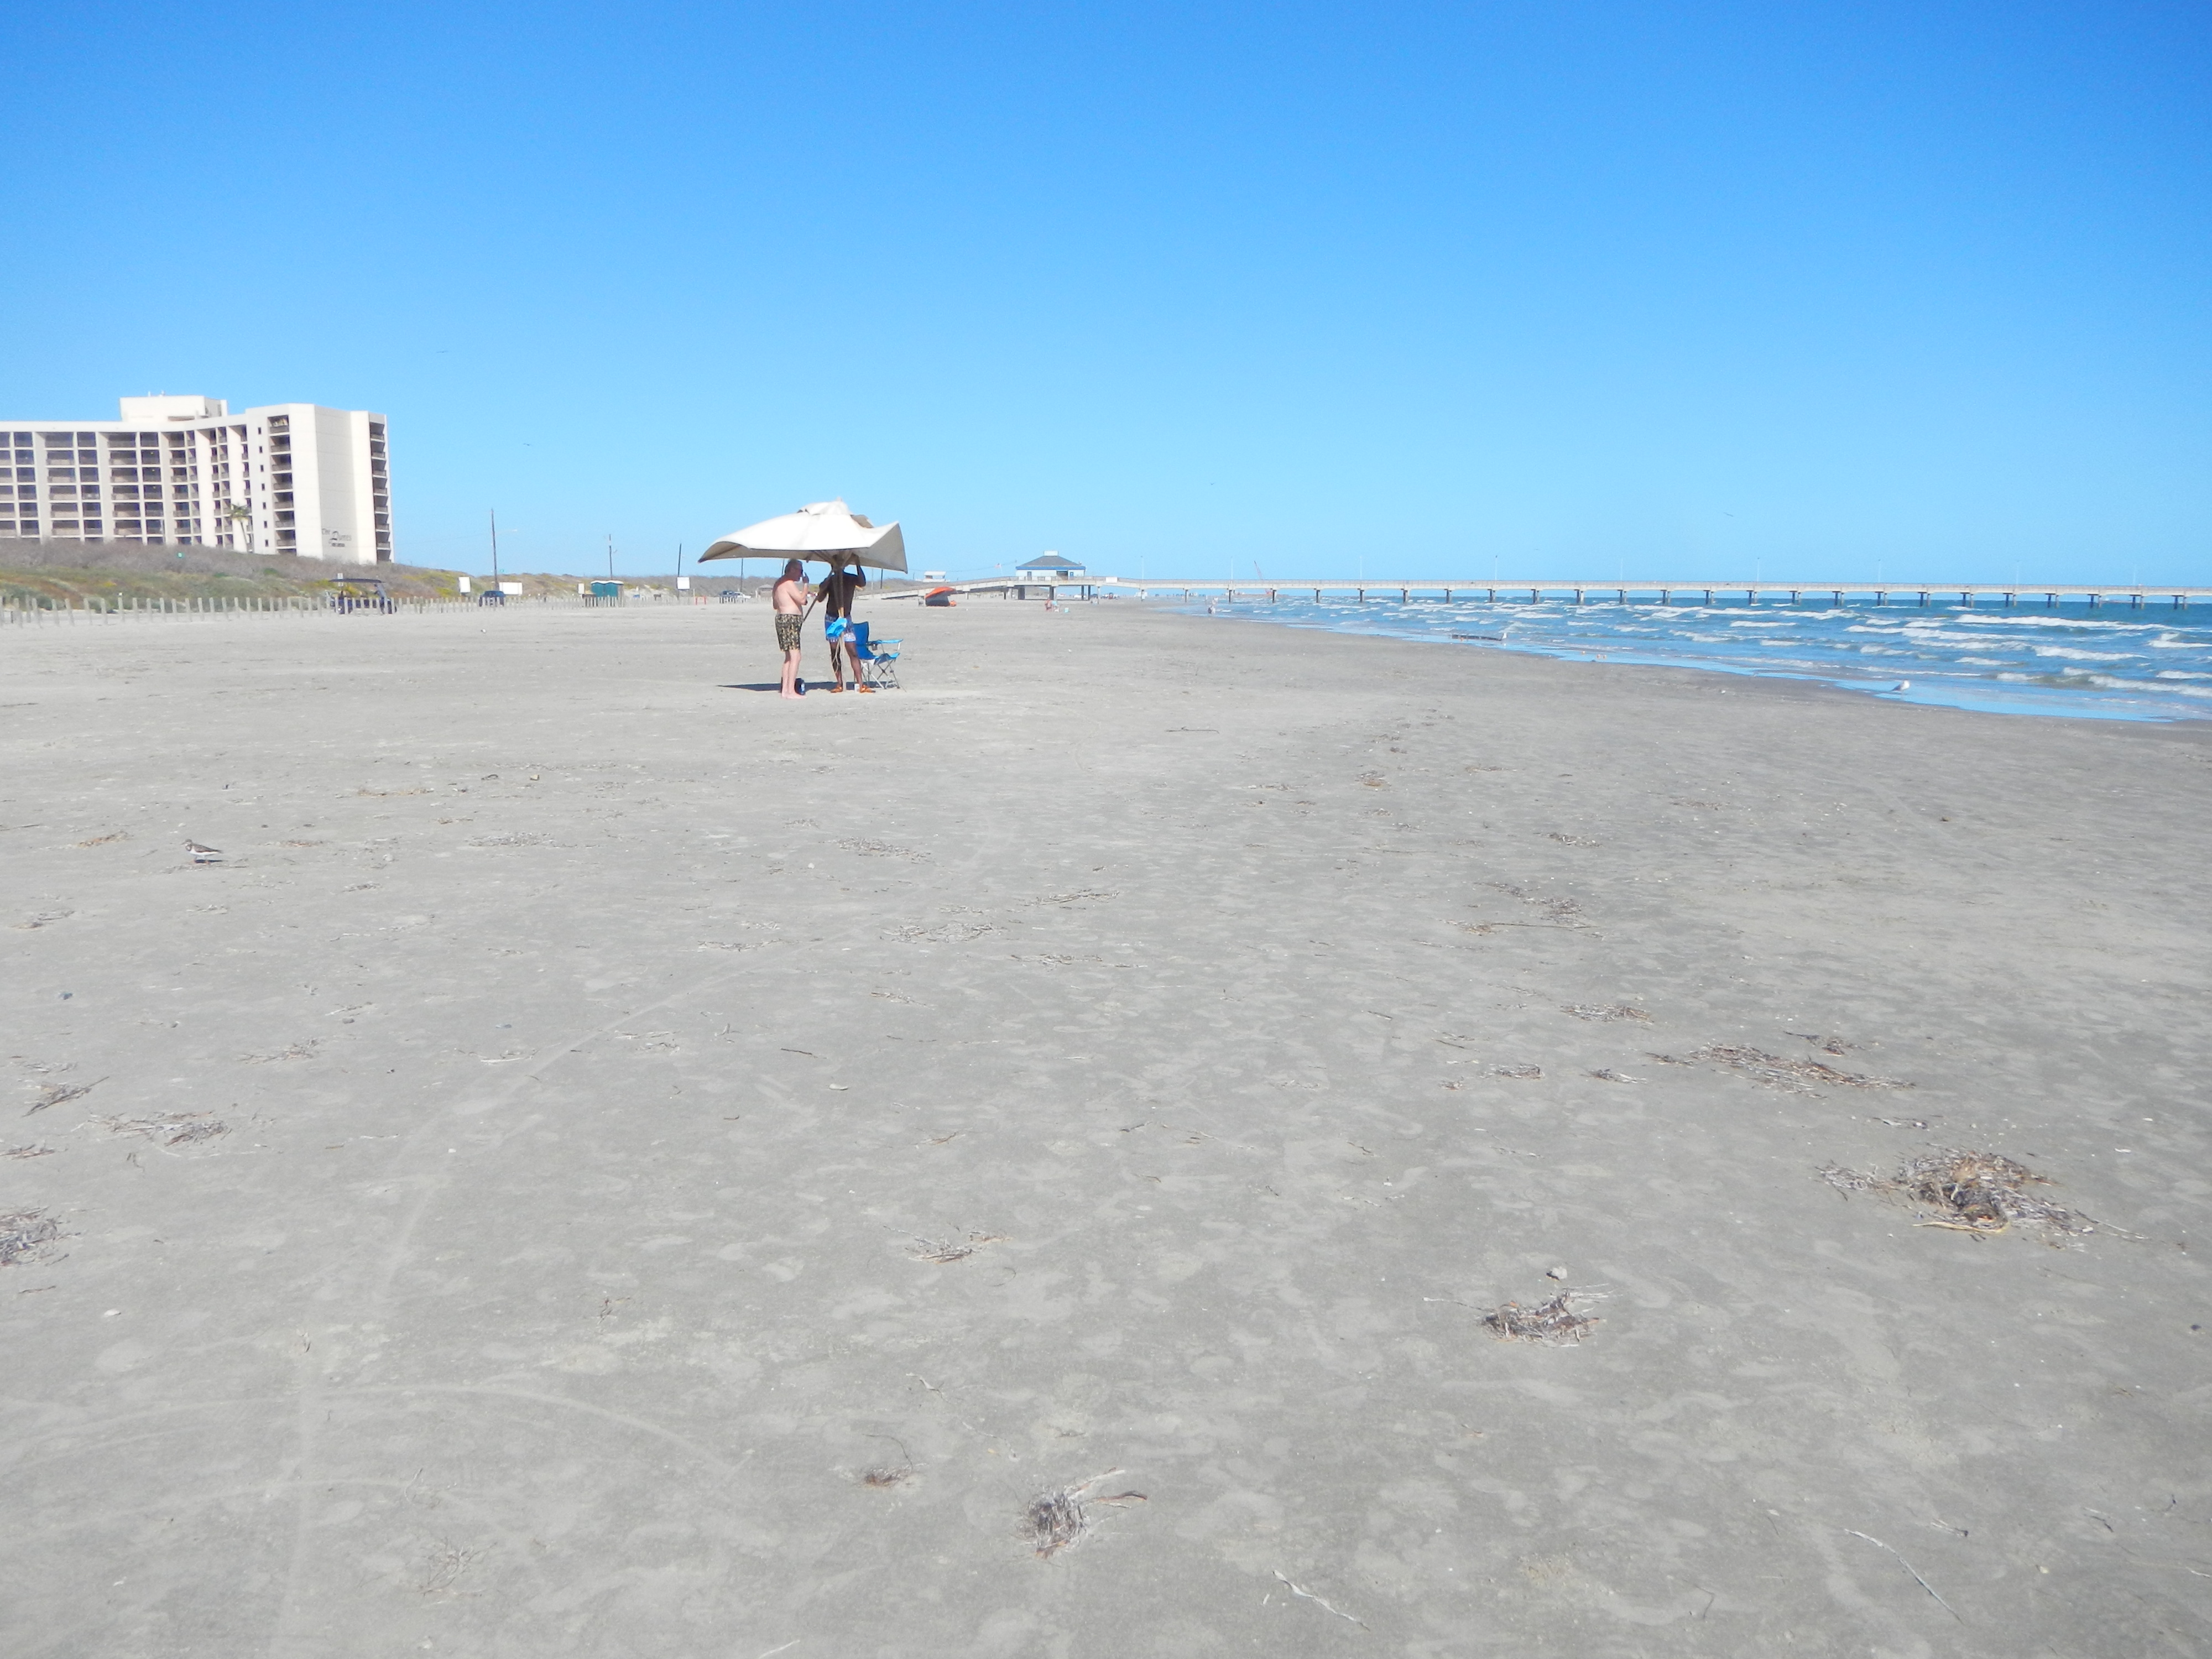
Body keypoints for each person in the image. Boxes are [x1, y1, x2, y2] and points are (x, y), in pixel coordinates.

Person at [817, 559, 869, 692]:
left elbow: (862, 583)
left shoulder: (851, 579)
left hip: (845, 618)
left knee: (852, 651)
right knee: (835, 652)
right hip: (832, 618)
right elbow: (820, 599)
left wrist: (858, 564)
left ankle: (860, 684)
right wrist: (826, 583)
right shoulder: (830, 581)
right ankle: (839, 683)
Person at [772, 559, 811, 698]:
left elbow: (776, 605)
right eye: (800, 571)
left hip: (783, 619)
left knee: (789, 657)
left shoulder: (778, 584)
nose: (801, 575)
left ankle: (786, 690)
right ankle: (790, 691)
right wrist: (806, 584)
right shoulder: (787, 582)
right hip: (789, 620)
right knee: (796, 656)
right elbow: (801, 600)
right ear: (792, 570)